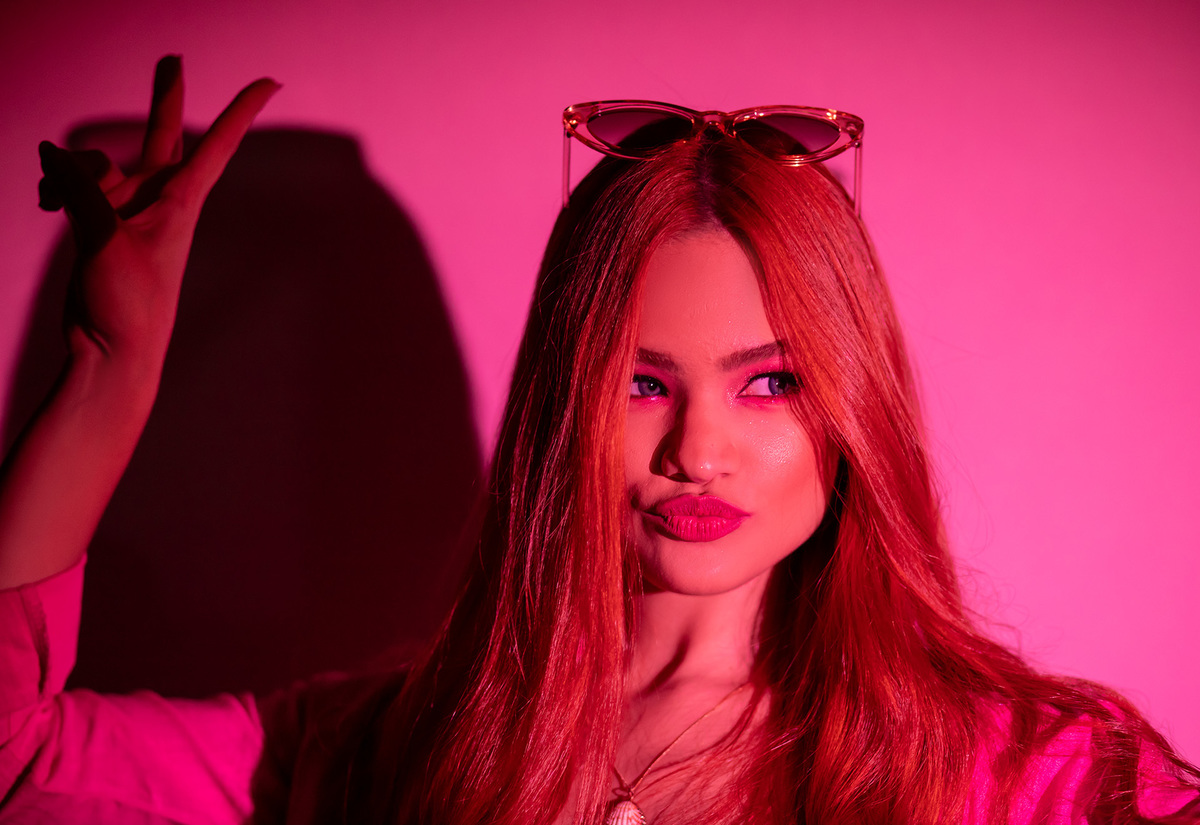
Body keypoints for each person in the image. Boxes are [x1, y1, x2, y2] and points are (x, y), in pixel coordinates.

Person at [1, 57, 1197, 825]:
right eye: (640, 382)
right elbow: (19, 760)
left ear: (853, 403)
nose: (697, 451)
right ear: (560, 402)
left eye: (771, 382)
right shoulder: (390, 748)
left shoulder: (1043, 773)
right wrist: (107, 371)